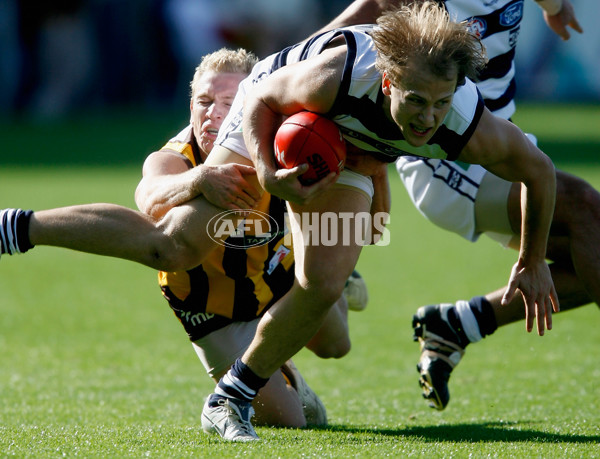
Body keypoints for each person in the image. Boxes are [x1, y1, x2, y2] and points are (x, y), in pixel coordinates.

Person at [196, 1, 558, 441]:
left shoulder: (466, 122)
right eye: (416, 101)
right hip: (279, 106)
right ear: (388, 83)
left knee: (324, 283)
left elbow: (539, 172)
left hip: (347, 147)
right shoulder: (339, 76)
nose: (428, 118)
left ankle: (228, 398)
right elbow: (262, 97)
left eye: (441, 103)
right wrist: (269, 175)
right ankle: (169, 184)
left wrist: (533, 259)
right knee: (181, 240)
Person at [0, 47, 368, 429]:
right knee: (296, 421)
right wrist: (199, 179)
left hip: (278, 269)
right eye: (204, 101)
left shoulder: (285, 137)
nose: (214, 113)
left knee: (336, 346)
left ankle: (338, 281)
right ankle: (280, 372)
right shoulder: (177, 156)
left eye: (230, 101)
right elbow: (149, 195)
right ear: (190, 106)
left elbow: (360, 162)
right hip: (210, 304)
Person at [326, 0, 593, 411]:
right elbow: (337, 39)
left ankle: (459, 324)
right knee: (584, 210)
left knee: (591, 247)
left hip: (498, 145)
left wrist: (555, 8)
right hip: (443, 157)